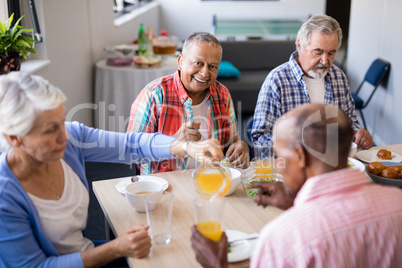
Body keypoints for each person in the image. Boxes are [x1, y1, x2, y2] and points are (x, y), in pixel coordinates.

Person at [0, 72, 223, 268]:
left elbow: (131, 145)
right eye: (51, 130)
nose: (64, 135)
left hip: (84, 252)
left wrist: (187, 147)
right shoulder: (5, 195)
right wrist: (115, 248)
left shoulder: (71, 138)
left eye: (62, 121)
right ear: (14, 138)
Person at [191, 103, 402, 267]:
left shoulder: (282, 238)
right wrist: (298, 204)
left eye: (280, 155)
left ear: (300, 156)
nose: (280, 167)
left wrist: (217, 265)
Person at [127, 32, 249, 175]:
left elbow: (232, 141)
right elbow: (131, 153)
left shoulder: (223, 95)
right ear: (180, 62)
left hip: (211, 181)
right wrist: (175, 143)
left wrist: (240, 146)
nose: (204, 73)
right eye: (198, 63)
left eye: (212, 66)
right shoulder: (153, 95)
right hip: (165, 185)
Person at [252, 14, 373, 150]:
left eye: (331, 53)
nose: (325, 61)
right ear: (299, 45)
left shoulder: (338, 76)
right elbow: (260, 139)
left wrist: (358, 134)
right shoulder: (276, 81)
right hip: (294, 166)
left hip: (334, 163)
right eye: (318, 52)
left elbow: (350, 123)